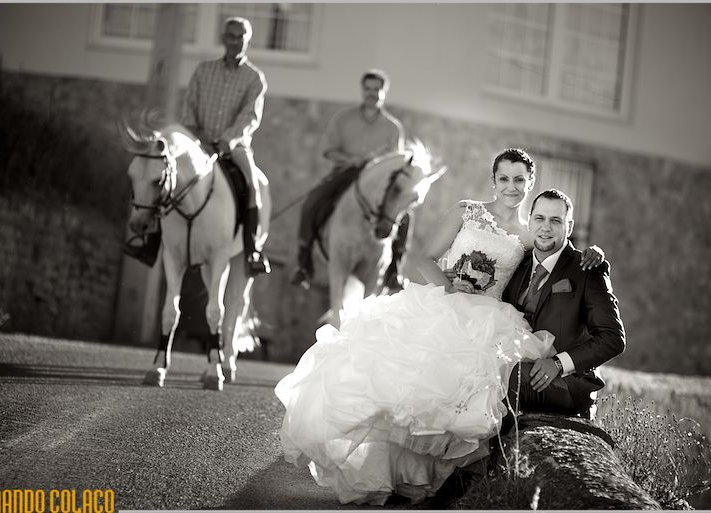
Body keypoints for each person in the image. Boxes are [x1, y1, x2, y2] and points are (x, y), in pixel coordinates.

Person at [275, 148, 606, 505]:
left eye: (519, 180)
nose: (511, 187)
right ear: (493, 181)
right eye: (504, 178)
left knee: (454, 405)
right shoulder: (467, 211)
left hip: (486, 320)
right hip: (443, 306)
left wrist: (596, 253)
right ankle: (388, 476)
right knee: (407, 391)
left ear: (530, 183)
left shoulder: (529, 235)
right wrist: (452, 286)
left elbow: (560, 250)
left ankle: (427, 485)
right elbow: (422, 257)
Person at [502, 189, 625, 422]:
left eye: (555, 220)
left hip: (567, 383)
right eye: (539, 218)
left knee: (504, 378)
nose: (546, 227)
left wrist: (559, 364)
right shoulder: (518, 264)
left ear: (569, 227)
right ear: (529, 221)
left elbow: (613, 338)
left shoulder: (588, 269)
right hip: (520, 364)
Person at [290, 69, 407, 290]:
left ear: (384, 92)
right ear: (362, 90)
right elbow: (327, 150)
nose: (372, 93)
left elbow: (395, 166)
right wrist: (350, 159)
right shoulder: (343, 118)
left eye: (377, 89)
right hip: (345, 173)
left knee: (403, 215)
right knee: (312, 202)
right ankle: (304, 264)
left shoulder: (393, 128)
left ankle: (394, 271)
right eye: (368, 88)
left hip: (378, 185)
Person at [182, 16, 270, 276]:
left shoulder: (254, 78)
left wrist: (226, 140)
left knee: (253, 185)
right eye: (230, 36)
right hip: (198, 143)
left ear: (248, 40)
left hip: (235, 147)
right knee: (168, 177)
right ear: (223, 38)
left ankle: (252, 249)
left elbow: (250, 116)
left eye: (240, 37)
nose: (235, 41)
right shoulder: (203, 71)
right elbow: (189, 107)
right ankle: (152, 236)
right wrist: (198, 136)